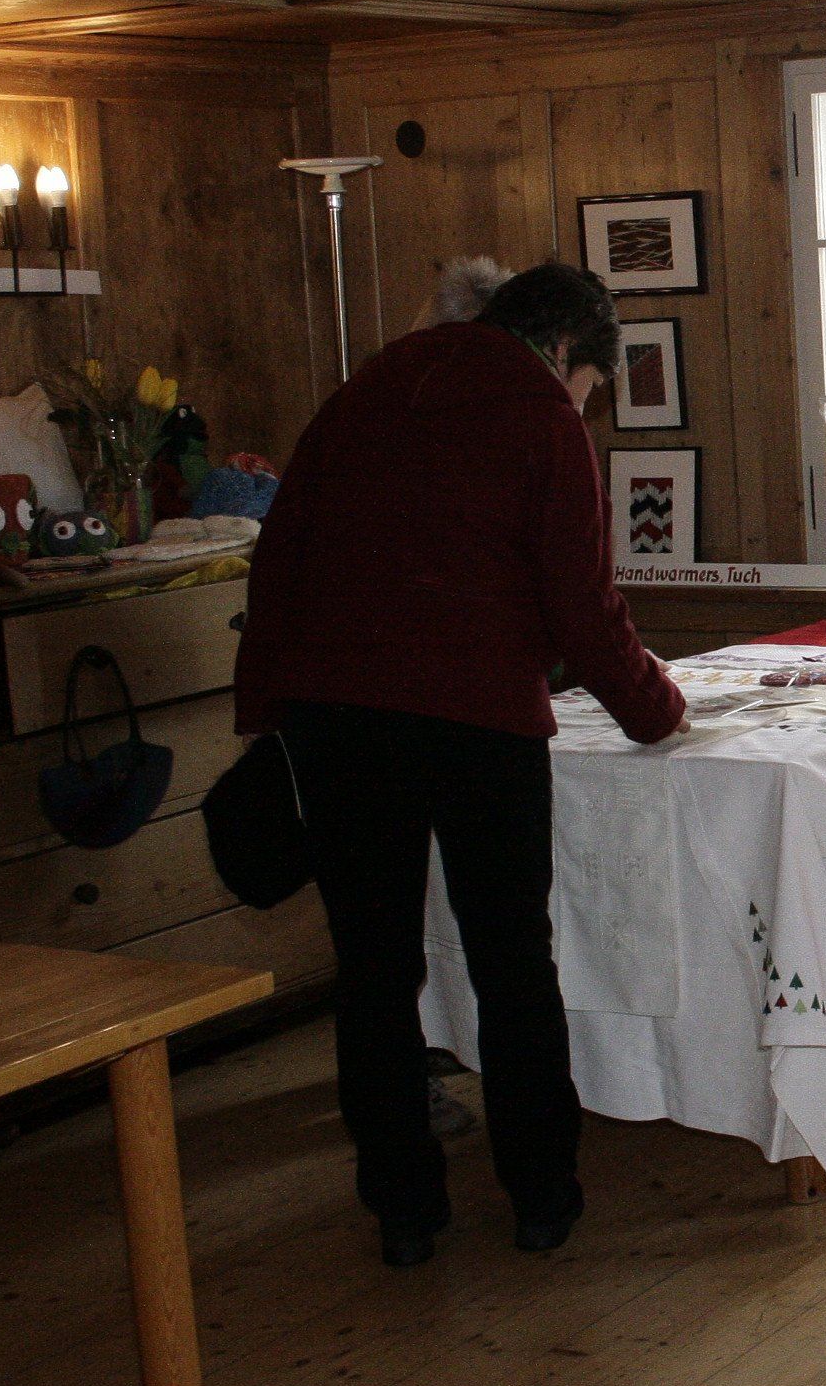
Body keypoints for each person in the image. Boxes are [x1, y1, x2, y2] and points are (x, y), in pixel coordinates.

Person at [234, 261, 687, 1267]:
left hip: (335, 719)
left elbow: (280, 557)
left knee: (373, 971)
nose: (584, 405)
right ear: (563, 350)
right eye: (589, 387)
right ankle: (541, 1198)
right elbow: (582, 605)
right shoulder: (541, 417)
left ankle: (403, 1212)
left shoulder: (367, 388)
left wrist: (265, 713)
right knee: (511, 961)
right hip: (477, 721)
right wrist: (655, 709)